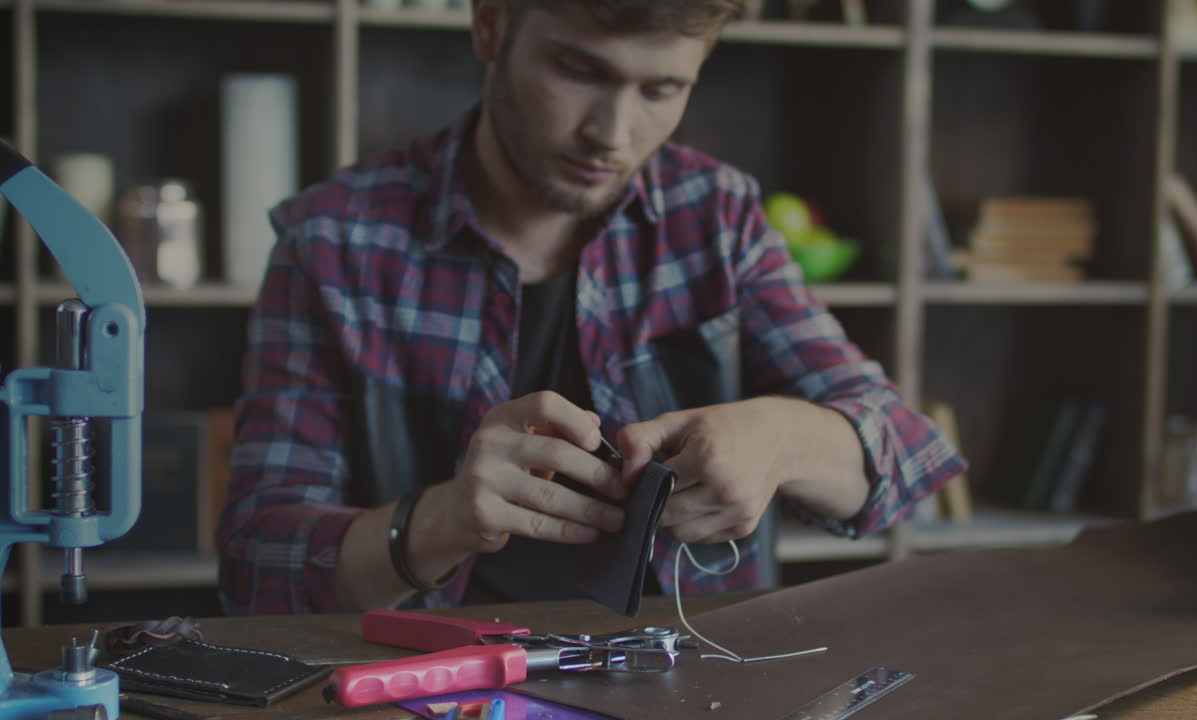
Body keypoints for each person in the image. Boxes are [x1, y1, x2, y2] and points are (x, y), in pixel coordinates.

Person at [216, 0, 967, 615]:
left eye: (660, 90)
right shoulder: (332, 241)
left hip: (691, 686)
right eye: (578, 70)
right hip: (428, 689)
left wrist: (781, 437)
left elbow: (907, 454)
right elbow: (257, 566)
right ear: (490, 24)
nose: (612, 136)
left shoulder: (715, 216)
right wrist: (441, 521)